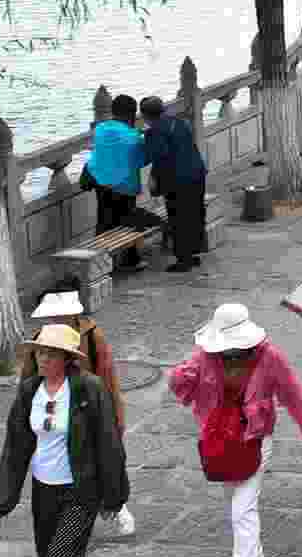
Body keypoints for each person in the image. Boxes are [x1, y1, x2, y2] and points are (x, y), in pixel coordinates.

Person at [167, 302, 302, 557]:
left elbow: (294, 394)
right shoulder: (205, 357)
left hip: (255, 440)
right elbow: (179, 384)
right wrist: (181, 375)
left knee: (242, 510)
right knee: (235, 503)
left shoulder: (269, 357)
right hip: (220, 441)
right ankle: (255, 553)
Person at [0, 323, 128, 557]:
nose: (43, 359)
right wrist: (1, 499)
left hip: (80, 491)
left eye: (50, 354)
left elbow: (108, 442)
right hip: (44, 489)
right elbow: (16, 446)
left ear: (67, 359)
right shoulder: (29, 391)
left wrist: (114, 496)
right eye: (39, 353)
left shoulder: (88, 388)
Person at [30, 286, 135, 534]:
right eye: (52, 315)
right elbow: (30, 378)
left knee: (103, 463)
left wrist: (115, 417)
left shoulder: (92, 335)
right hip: (57, 414)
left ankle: (116, 505)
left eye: (60, 315)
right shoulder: (40, 337)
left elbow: (108, 379)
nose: (55, 319)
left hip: (88, 412)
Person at [85, 91, 158, 271]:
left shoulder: (100, 129)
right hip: (124, 187)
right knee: (128, 223)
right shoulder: (132, 136)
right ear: (132, 114)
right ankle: (130, 261)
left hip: (100, 183)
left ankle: (99, 263)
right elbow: (142, 160)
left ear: (112, 111)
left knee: (104, 221)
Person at [138, 94, 210, 272]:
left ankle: (183, 260)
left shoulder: (154, 131)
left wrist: (154, 180)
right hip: (197, 174)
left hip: (178, 181)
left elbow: (156, 157)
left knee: (179, 218)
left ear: (145, 116)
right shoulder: (179, 122)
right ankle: (194, 253)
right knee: (195, 214)